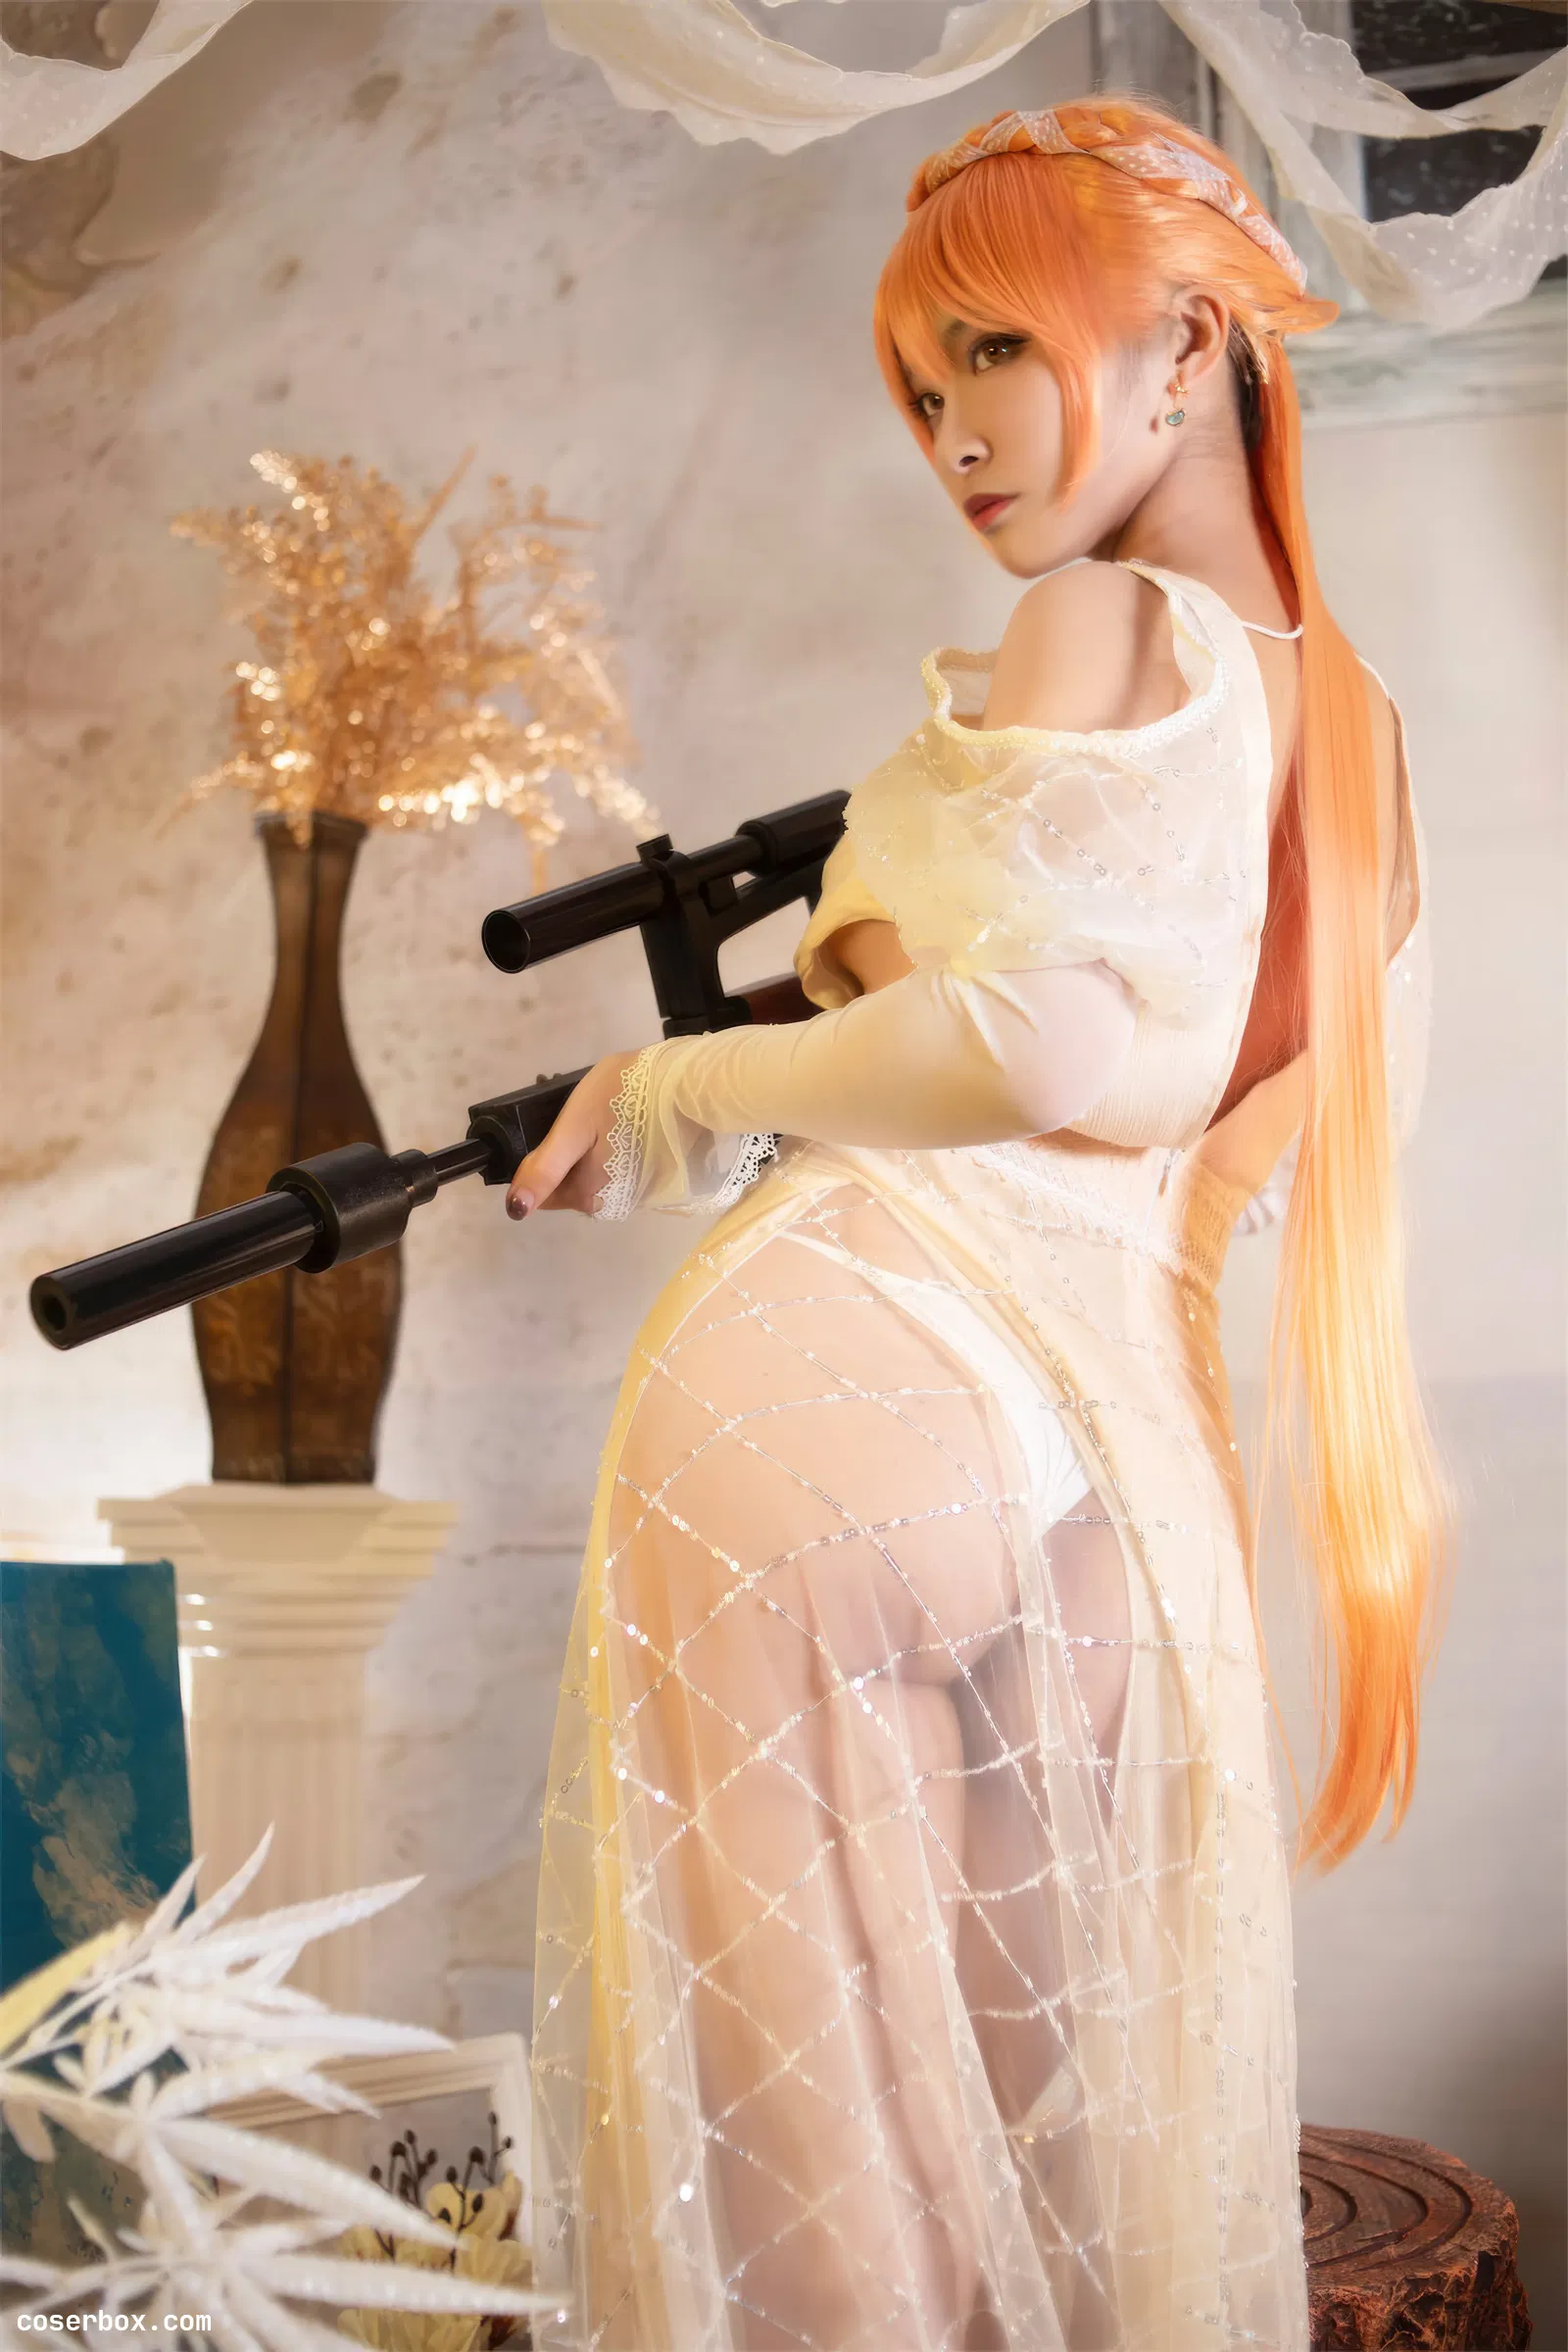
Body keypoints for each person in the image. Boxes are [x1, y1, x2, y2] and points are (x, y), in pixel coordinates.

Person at [512, 97, 1446, 2352]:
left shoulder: (1096, 616)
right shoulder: (1359, 731)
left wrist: (671, 1084)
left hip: (852, 1377)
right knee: (1064, 2156)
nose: (949, 435)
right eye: (920, 387)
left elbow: (1029, 1045)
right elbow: (1196, 1123)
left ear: (1189, 343)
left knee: (812, 2149)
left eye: (994, 354)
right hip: (1111, 1469)